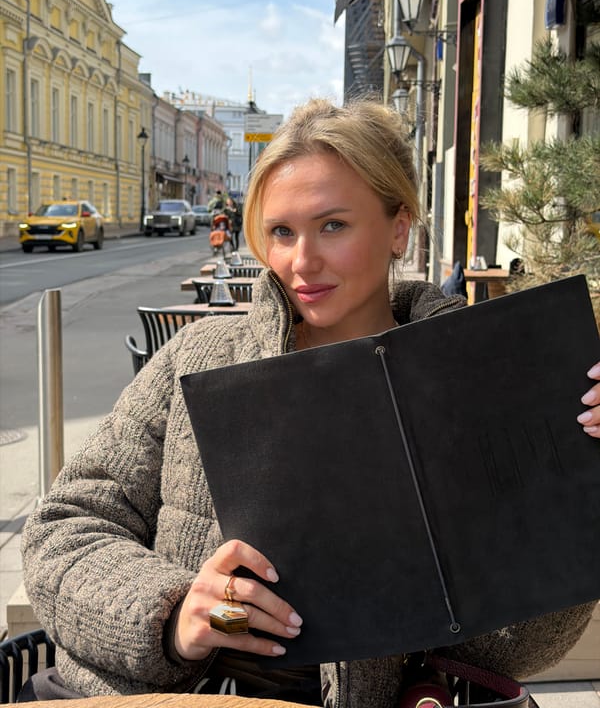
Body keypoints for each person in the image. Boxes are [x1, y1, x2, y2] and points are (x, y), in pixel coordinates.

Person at [20, 98, 600, 705]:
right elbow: (64, 527)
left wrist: (577, 482)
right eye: (281, 232)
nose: (303, 262)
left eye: (333, 225)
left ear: (398, 226)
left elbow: (514, 651)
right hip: (182, 695)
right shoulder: (201, 359)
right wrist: (177, 616)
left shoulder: (480, 379)